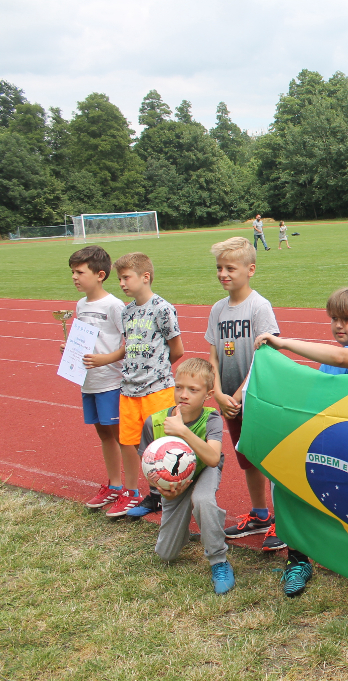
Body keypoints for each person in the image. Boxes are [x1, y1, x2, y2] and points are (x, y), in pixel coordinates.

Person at [254, 287, 348, 597]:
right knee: (284, 476)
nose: (339, 325)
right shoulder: (327, 365)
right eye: (334, 319)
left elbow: (341, 357)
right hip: (335, 446)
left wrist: (283, 343)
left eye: (347, 319)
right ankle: (298, 559)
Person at [83, 252, 184, 517]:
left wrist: (156, 371)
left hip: (157, 390)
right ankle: (151, 495)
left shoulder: (162, 308)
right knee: (133, 444)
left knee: (161, 446)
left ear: (145, 277)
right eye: (119, 278)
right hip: (129, 390)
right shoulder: (127, 311)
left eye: (126, 277)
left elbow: (177, 349)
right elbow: (128, 347)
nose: (122, 283)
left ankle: (173, 496)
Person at [204, 237, 283, 550]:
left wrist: (236, 395)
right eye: (219, 268)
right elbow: (213, 356)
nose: (223, 274)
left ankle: (282, 521)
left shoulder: (259, 307)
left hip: (257, 397)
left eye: (230, 268)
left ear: (250, 270)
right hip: (229, 401)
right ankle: (260, 513)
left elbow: (264, 356)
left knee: (269, 459)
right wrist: (217, 393)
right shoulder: (217, 309)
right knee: (247, 457)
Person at [138, 358, 234, 594]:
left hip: (204, 469)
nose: (183, 394)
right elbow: (148, 464)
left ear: (208, 395)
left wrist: (182, 431)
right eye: (179, 387)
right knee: (166, 554)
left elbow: (213, 458)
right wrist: (163, 490)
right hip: (176, 481)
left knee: (203, 500)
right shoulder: (155, 422)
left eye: (193, 390)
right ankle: (185, 531)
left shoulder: (211, 418)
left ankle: (218, 560)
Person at [64, 246, 127, 511]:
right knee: (103, 434)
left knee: (121, 436)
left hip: (110, 381)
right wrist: (70, 349)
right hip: (89, 381)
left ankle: (132, 489)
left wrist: (106, 359)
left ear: (100, 275)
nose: (74, 277)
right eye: (73, 272)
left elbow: (130, 343)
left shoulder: (114, 305)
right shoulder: (81, 305)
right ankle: (115, 485)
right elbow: (84, 338)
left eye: (80, 272)